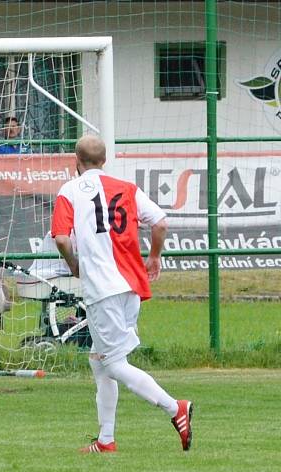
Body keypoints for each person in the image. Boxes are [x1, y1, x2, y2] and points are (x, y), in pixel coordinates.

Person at [51, 134, 193, 453]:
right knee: (100, 361)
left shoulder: (70, 190)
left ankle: (176, 408)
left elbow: (61, 239)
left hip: (103, 288)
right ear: (104, 161)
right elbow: (160, 223)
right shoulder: (126, 188)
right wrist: (154, 257)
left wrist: (75, 265)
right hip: (130, 284)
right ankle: (106, 440)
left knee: (114, 364)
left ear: (76, 163)